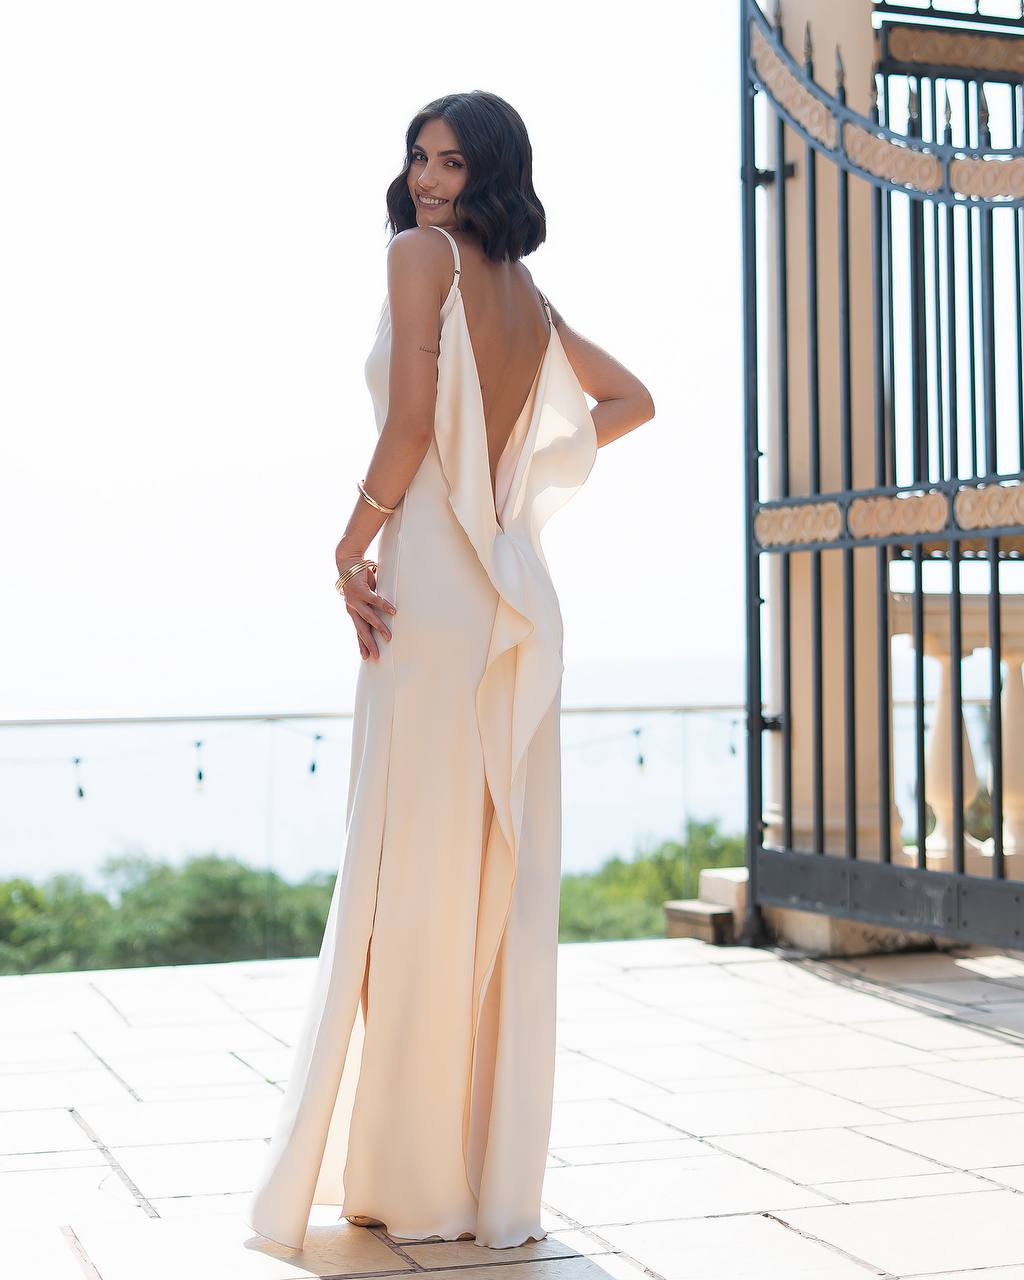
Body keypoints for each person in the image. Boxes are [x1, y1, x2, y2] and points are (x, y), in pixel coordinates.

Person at [246, 89, 655, 1253]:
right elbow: (629, 401)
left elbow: (414, 420)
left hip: (429, 586)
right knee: (478, 882)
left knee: (408, 872)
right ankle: (461, 1176)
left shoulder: (418, 256)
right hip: (510, 590)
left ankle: (411, 1176)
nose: (428, 180)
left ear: (492, 173)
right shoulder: (526, 293)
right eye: (418, 157)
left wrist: (350, 541)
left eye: (451, 161)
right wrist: (511, 492)